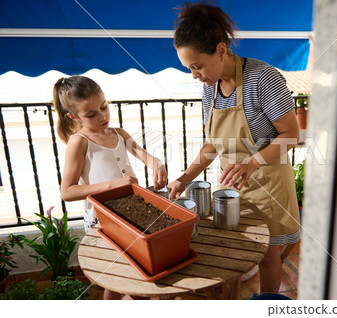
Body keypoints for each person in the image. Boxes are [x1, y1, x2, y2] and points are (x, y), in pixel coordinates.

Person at [168, 2, 301, 293]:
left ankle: (267, 305)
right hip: (234, 186)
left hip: (268, 186)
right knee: (236, 251)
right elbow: (212, 144)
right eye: (189, 68)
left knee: (267, 256)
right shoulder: (209, 87)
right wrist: (185, 177)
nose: (194, 75)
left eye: (196, 66)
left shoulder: (262, 78)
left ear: (220, 49)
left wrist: (251, 163)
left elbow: (291, 134)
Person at [53, 75, 167, 299]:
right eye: (91, 114)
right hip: (102, 219)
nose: (102, 116)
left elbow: (146, 156)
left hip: (131, 214)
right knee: (114, 276)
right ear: (73, 116)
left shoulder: (119, 133)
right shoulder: (79, 142)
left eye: (104, 107)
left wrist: (157, 164)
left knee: (134, 273)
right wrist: (114, 184)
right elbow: (67, 191)